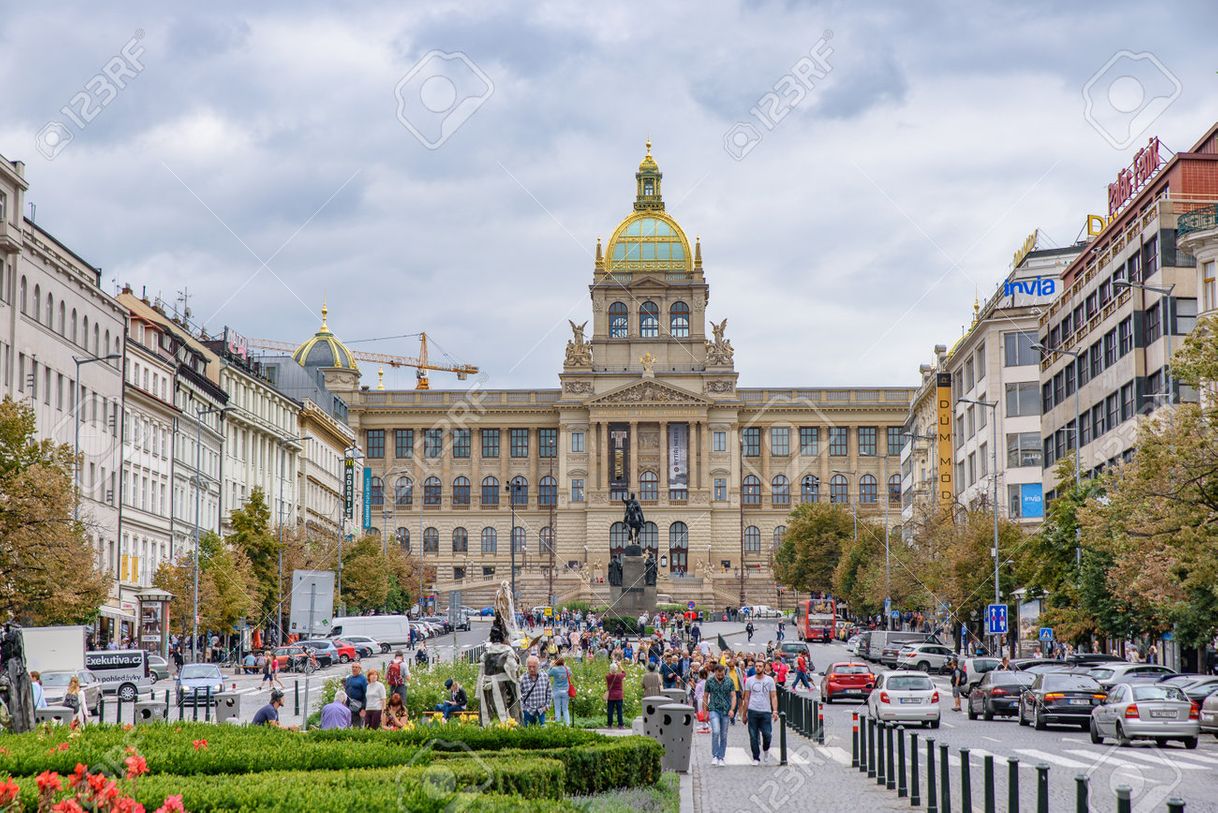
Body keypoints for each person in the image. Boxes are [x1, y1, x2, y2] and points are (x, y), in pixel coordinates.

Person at [742, 661, 778, 765]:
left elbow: (773, 696)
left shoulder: (770, 680)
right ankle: (756, 758)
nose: (758, 668)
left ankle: (766, 750)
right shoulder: (749, 680)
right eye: (756, 666)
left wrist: (775, 710)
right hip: (753, 710)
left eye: (760, 666)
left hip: (766, 711)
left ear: (764, 667)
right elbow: (747, 697)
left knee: (767, 734)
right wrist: (744, 714)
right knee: (753, 736)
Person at [703, 663, 736, 766]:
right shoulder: (709, 681)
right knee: (716, 731)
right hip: (714, 709)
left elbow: (733, 696)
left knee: (724, 735)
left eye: (722, 674)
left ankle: (721, 757)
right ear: (715, 672)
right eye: (718, 674)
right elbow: (705, 696)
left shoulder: (729, 681)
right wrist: (705, 712)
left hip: (726, 710)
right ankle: (715, 755)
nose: (720, 676)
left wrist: (732, 709)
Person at [519, 655, 552, 726]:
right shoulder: (522, 678)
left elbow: (549, 692)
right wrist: (523, 708)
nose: (531, 669)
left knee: (542, 733)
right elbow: (519, 695)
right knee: (528, 732)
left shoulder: (545, 676)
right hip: (528, 711)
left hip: (541, 710)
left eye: (534, 667)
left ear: (538, 666)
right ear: (526, 666)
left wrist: (547, 706)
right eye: (529, 667)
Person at [548, 656, 572, 726]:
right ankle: (567, 724)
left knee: (557, 709)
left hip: (556, 691)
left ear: (556, 661)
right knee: (565, 709)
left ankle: (557, 724)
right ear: (563, 662)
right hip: (565, 691)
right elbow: (570, 674)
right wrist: (565, 666)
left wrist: (551, 666)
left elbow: (547, 673)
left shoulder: (554, 669)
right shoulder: (567, 668)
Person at [345, 663, 368, 728]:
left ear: (360, 669)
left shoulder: (363, 679)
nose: (354, 669)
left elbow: (366, 694)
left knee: (357, 726)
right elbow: (346, 691)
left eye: (356, 667)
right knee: (347, 725)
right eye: (353, 667)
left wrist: (363, 708)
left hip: (358, 707)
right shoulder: (349, 678)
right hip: (349, 706)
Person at [605, 661, 625, 728]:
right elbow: (624, 673)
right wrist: (620, 665)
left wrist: (612, 670)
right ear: (616, 669)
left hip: (611, 696)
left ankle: (610, 724)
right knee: (619, 711)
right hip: (619, 695)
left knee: (610, 711)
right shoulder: (619, 676)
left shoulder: (608, 676)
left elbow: (609, 674)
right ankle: (620, 724)